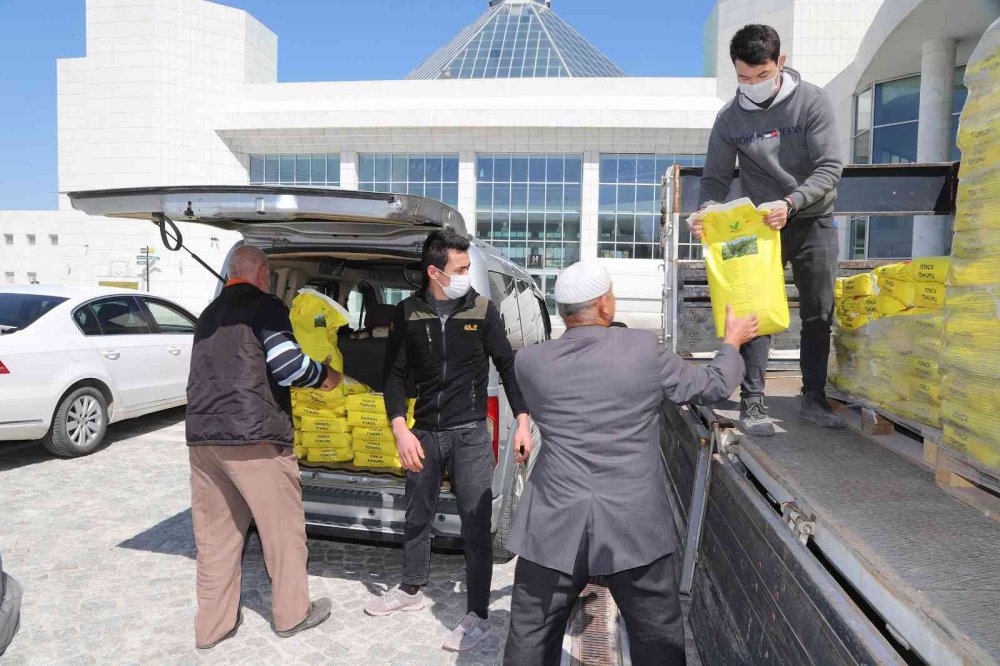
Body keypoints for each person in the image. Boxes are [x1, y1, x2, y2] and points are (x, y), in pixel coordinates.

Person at [503, 261, 758, 666]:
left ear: (563, 311)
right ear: (605, 306)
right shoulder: (642, 349)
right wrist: (731, 342)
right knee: (656, 637)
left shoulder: (530, 362)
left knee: (530, 634)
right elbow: (710, 386)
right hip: (633, 522)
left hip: (553, 519)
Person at [365, 227, 532, 653]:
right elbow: (395, 377)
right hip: (423, 433)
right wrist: (400, 428)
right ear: (435, 272)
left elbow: (508, 368)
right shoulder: (407, 313)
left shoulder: (482, 309)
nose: (466, 275)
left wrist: (525, 421)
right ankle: (410, 589)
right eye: (460, 268)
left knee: (476, 527)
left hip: (471, 434)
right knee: (416, 514)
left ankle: (477, 613)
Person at [690, 23, 846, 436]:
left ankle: (813, 396)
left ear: (781, 63)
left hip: (811, 216)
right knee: (754, 308)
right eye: (743, 77)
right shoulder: (729, 118)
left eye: (762, 76)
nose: (753, 85)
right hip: (759, 227)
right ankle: (753, 402)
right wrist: (706, 212)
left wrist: (791, 202)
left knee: (818, 312)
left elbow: (829, 168)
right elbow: (714, 180)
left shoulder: (813, 102)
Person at [185, 245, 340, 650]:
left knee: (216, 539)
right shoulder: (267, 307)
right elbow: (289, 367)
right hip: (255, 440)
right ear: (262, 275)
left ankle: (213, 627)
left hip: (203, 442)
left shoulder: (207, 315)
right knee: (283, 533)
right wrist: (326, 377)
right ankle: (293, 614)